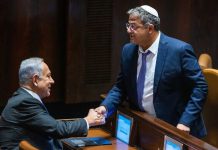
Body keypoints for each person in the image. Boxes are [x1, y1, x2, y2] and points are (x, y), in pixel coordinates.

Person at [95, 5, 208, 138]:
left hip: (175, 128)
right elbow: (121, 87)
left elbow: (200, 87)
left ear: (150, 28)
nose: (128, 30)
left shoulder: (179, 51)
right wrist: (105, 107)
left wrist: (185, 121)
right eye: (128, 25)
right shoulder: (128, 51)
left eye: (133, 26)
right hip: (143, 124)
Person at [0, 57, 105, 149]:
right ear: (35, 80)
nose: (52, 81)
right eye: (48, 76)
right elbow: (56, 129)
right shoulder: (24, 102)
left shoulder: (22, 97)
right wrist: (88, 120)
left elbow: (51, 125)